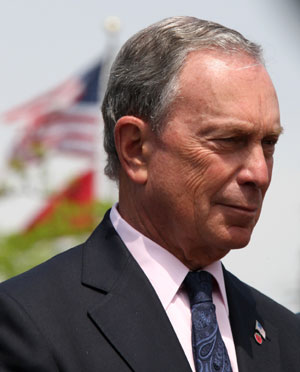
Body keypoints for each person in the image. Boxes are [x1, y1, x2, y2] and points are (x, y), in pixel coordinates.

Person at [0, 16, 299, 372]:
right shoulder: (29, 322)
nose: (259, 173)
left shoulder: (286, 335)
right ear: (135, 148)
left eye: (268, 144)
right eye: (229, 141)